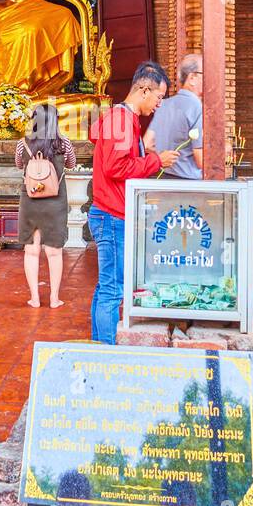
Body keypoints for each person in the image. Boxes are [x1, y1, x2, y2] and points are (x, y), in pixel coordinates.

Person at [87, 60, 178, 344]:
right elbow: (116, 167)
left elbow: (96, 137)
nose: (159, 105)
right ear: (143, 90)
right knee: (113, 290)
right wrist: (154, 161)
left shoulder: (120, 118)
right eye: (159, 98)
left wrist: (142, 155)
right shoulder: (121, 120)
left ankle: (99, 344)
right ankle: (104, 351)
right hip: (112, 214)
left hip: (110, 212)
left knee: (108, 287)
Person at [14, 103, 77, 309]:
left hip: (30, 200)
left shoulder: (23, 143)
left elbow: (19, 165)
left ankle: (34, 298)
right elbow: (71, 164)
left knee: (31, 251)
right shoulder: (64, 143)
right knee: (54, 252)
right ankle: (54, 298)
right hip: (55, 202)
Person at [145, 53, 204, 179]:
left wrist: (166, 158)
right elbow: (200, 160)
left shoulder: (164, 104)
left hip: (163, 178)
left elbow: (147, 144)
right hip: (188, 185)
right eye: (204, 74)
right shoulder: (197, 107)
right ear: (192, 78)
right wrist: (223, 151)